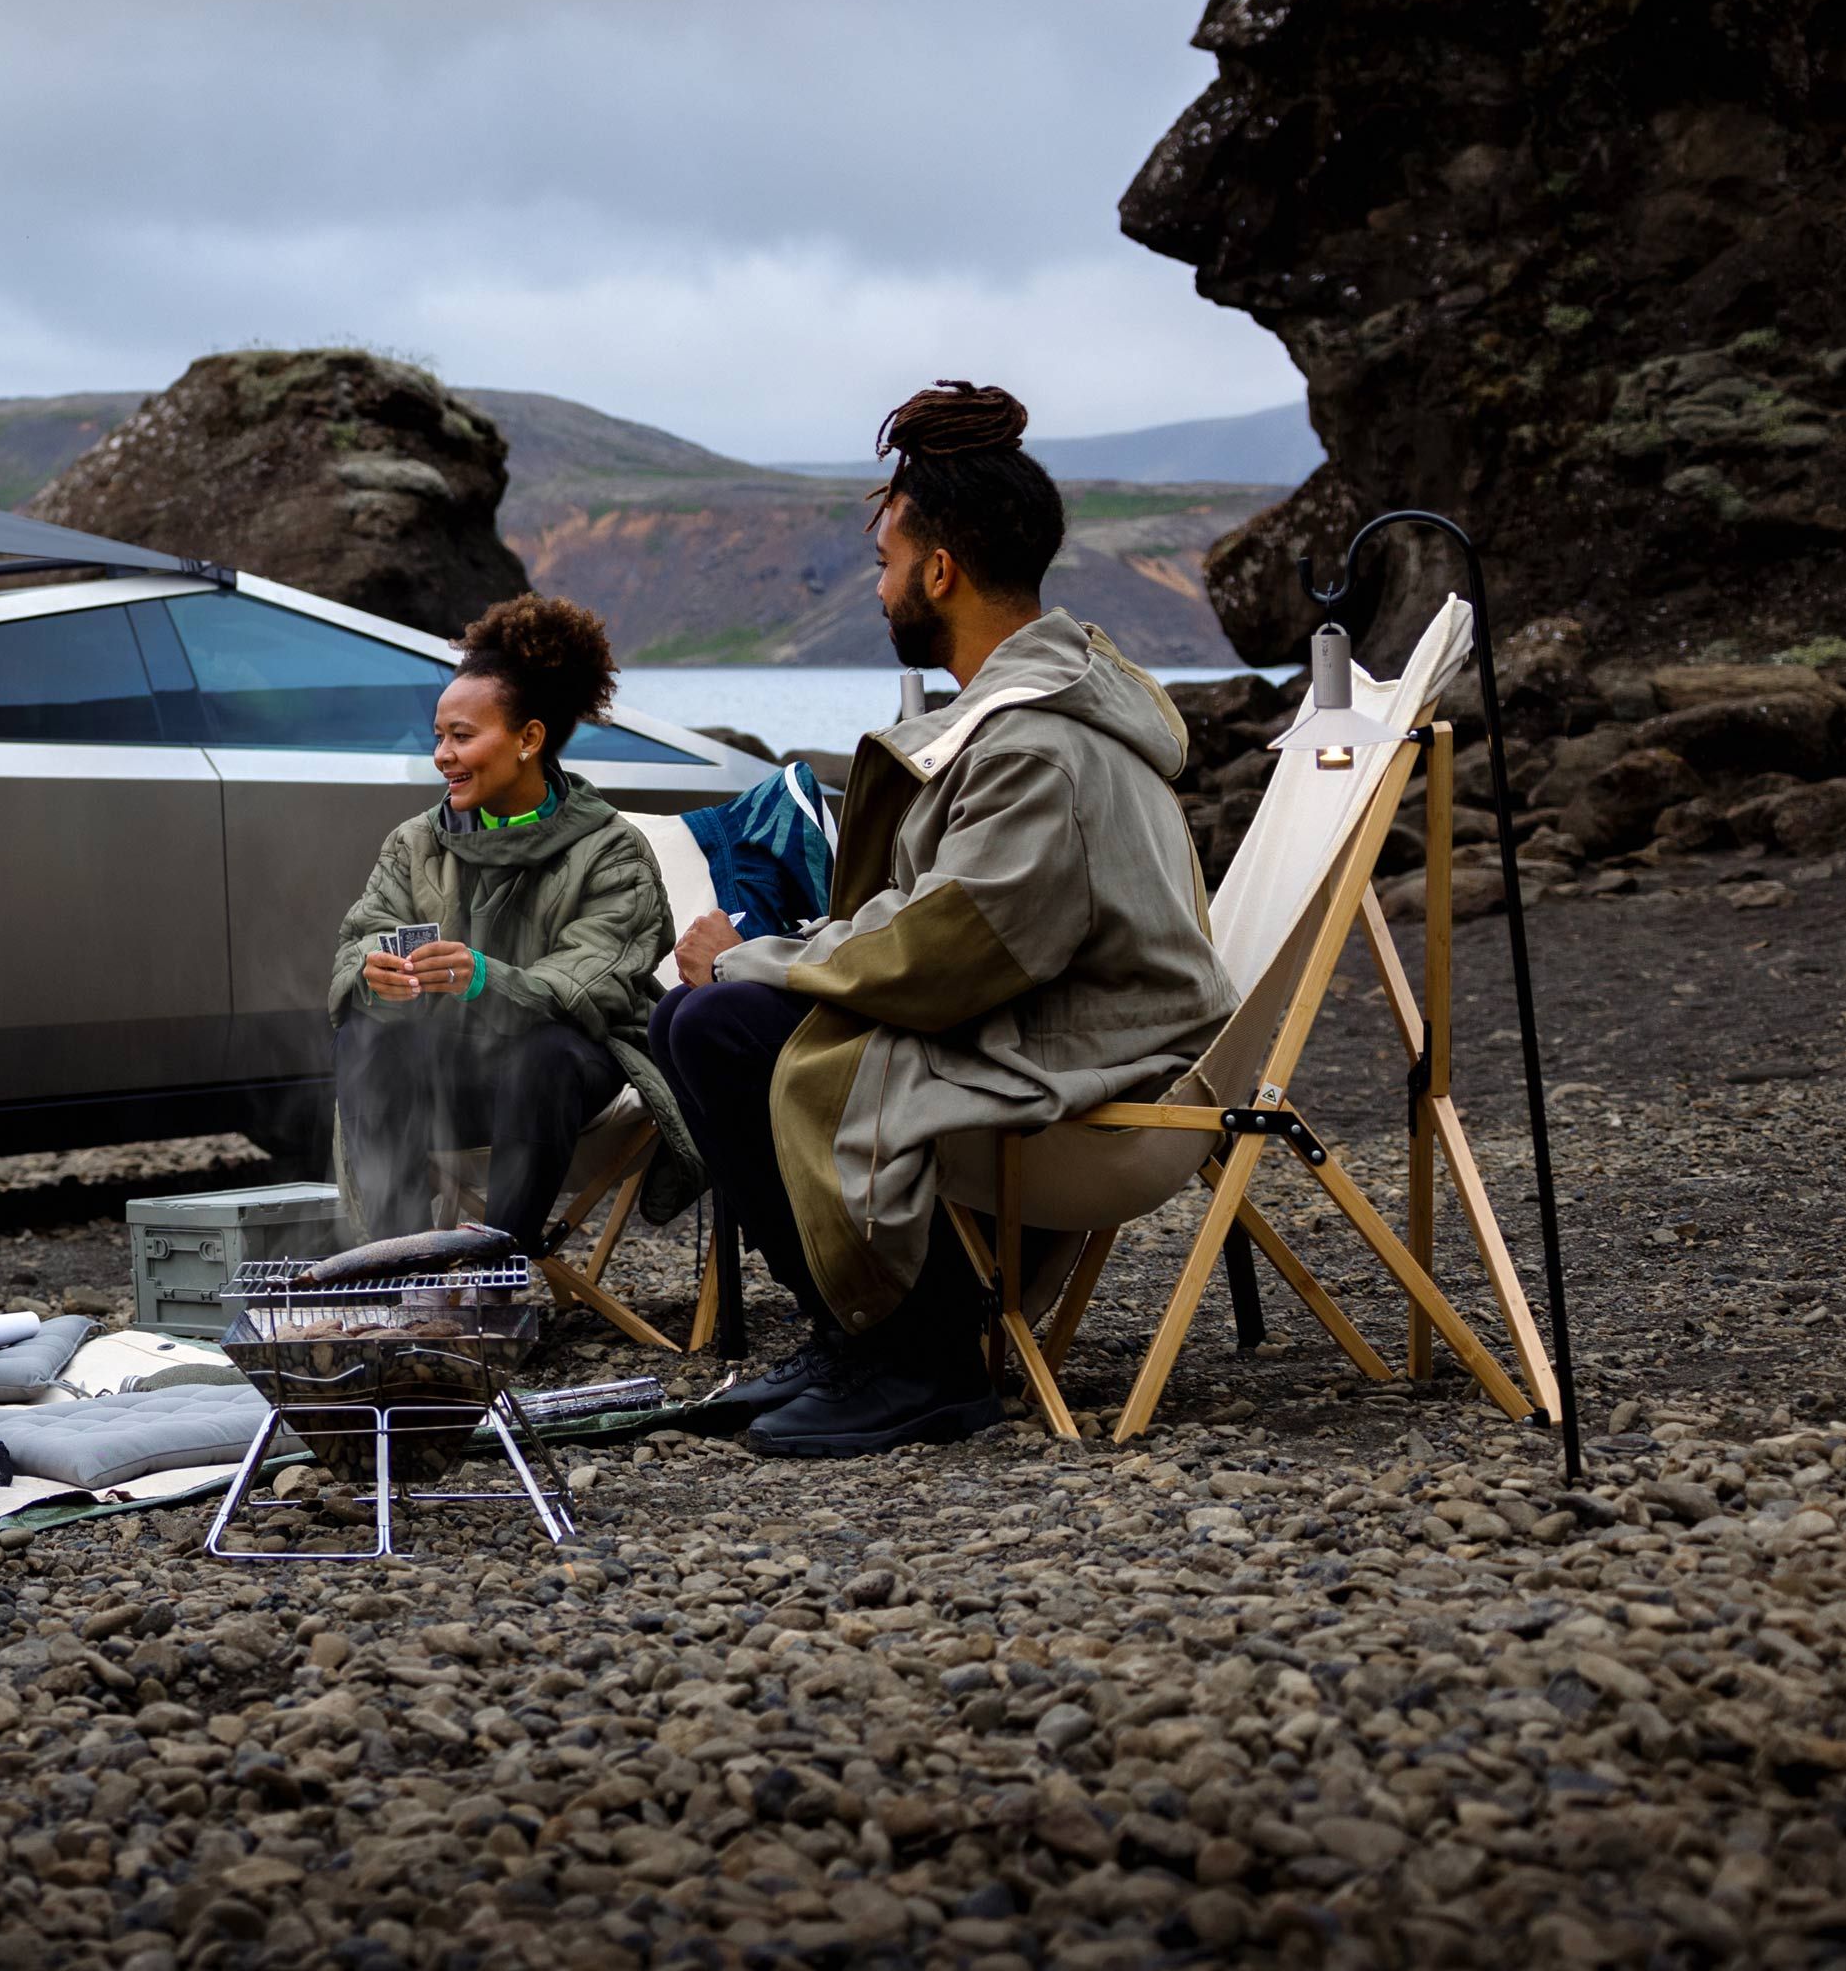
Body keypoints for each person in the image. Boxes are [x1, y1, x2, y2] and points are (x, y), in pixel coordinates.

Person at [646, 383, 1235, 1458]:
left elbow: (958, 942)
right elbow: (949, 926)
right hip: (1041, 1017)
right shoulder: (1032, 714)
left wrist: (749, 959)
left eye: (883, 563)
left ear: (937, 571)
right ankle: (855, 1342)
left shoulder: (1035, 744)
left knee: (716, 1025)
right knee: (702, 1018)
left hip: (1090, 1056)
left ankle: (919, 1365)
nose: (875, 590)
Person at [327, 593, 693, 1246]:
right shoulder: (416, 843)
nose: (442, 754)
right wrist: (371, 971)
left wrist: (481, 980)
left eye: (463, 736)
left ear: (529, 739)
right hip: (457, 1068)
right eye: (439, 735)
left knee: (540, 1056)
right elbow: (359, 939)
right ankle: (402, 1262)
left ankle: (493, 1274)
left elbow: (591, 988)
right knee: (366, 1038)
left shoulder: (611, 850)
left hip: (573, 1076)